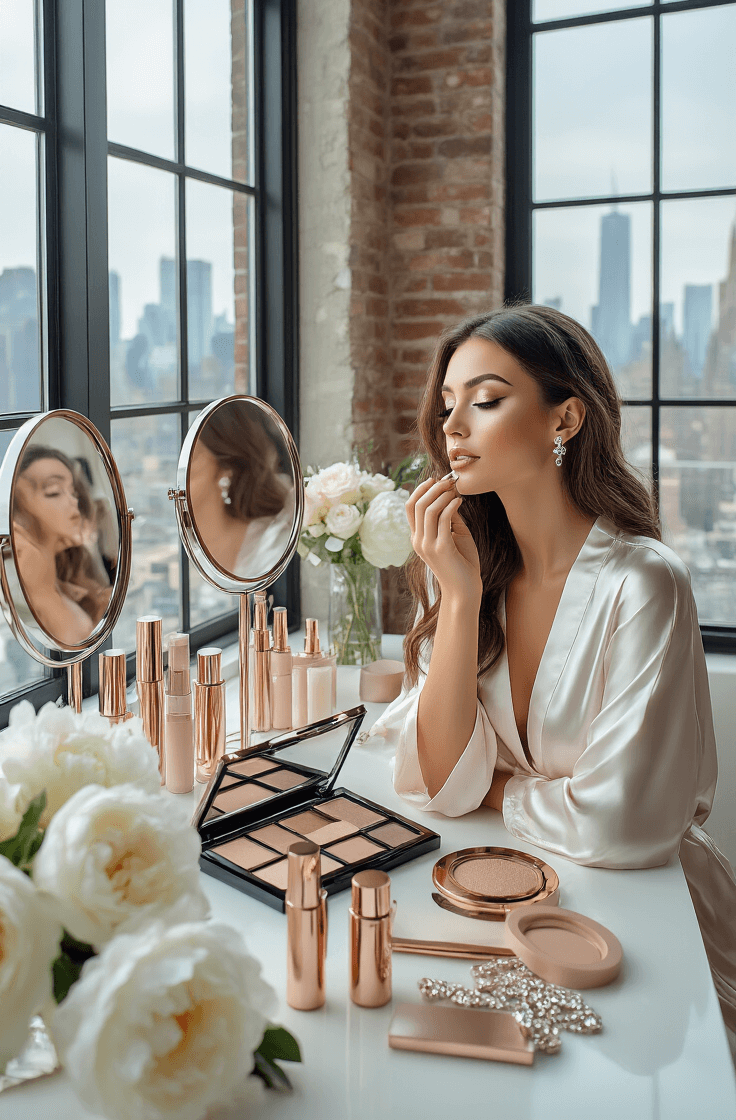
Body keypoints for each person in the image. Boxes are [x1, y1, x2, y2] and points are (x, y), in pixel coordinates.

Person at [371, 304, 736, 1044]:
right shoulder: (470, 571)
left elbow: (626, 824)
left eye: (487, 399)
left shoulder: (644, 585)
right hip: (521, 901)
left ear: (563, 419)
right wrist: (464, 598)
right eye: (448, 405)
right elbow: (440, 783)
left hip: (654, 924)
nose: (452, 426)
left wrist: (496, 783)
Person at [12, 446, 111, 646]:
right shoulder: (23, 588)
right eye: (54, 492)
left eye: (73, 491)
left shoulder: (67, 577)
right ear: (16, 512)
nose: (74, 501)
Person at [188, 402, 295, 578]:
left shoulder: (272, 547)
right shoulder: (184, 551)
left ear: (225, 470)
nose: (181, 474)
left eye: (194, 459)